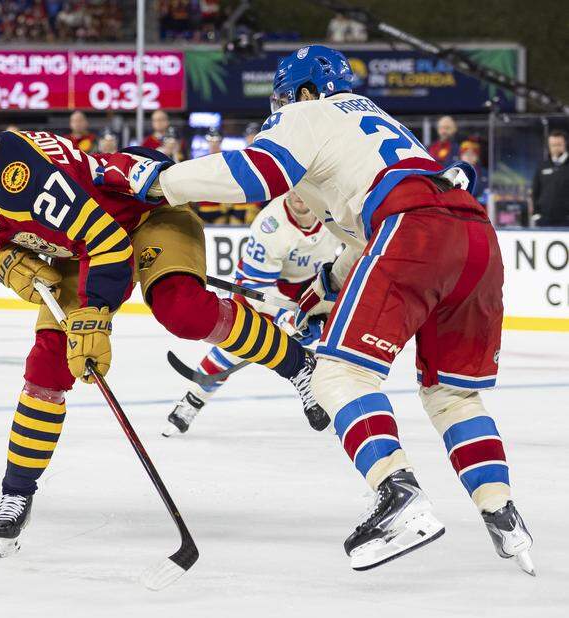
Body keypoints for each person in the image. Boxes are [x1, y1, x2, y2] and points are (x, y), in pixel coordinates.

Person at [109, 45, 533, 573]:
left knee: (339, 377)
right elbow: (360, 237)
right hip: (474, 238)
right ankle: (503, 514)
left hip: (414, 230)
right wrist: (323, 288)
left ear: (306, 92)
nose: (279, 110)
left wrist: (161, 182)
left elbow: (258, 172)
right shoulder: (377, 120)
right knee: (453, 397)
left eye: (284, 98)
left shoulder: (308, 114)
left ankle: (399, 496)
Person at [0, 102, 328, 558]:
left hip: (144, 217)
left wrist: (95, 311)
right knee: (48, 363)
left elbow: (110, 242)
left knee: (184, 311)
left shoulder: (22, 176)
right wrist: (13, 262)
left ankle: (299, 364)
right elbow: (17, 241)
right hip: (87, 246)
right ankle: (17, 492)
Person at [164, 191, 342, 435]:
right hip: (260, 290)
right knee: (236, 346)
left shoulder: (334, 211)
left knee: (338, 342)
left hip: (311, 286)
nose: (301, 194)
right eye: (295, 187)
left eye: (306, 186)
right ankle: (193, 400)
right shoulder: (271, 225)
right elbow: (259, 289)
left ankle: (333, 401)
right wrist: (286, 318)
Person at [532, 129, 568, 227]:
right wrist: (536, 214)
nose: (556, 148)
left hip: (566, 219)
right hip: (544, 219)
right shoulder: (542, 166)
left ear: (565, 144)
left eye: (559, 144)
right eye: (553, 145)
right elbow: (535, 191)